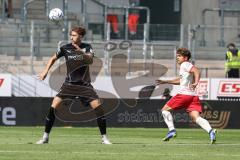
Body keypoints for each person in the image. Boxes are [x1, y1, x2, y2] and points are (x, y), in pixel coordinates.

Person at [36, 26, 111, 145]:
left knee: (99, 108)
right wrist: (45, 71)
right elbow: (53, 58)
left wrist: (80, 51)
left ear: (80, 36)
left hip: (84, 85)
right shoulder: (65, 48)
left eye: (74, 35)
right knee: (53, 107)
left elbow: (90, 61)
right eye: (71, 35)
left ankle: (104, 138)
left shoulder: (87, 47)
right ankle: (45, 137)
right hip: (69, 84)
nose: (71, 37)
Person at [156, 48, 217, 144]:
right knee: (196, 117)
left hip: (184, 95)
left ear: (185, 57)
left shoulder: (185, 64)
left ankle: (172, 130)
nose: (177, 58)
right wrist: (165, 81)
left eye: (179, 56)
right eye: (177, 56)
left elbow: (197, 71)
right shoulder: (184, 67)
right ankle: (211, 131)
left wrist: (196, 82)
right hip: (193, 96)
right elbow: (180, 81)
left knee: (164, 110)